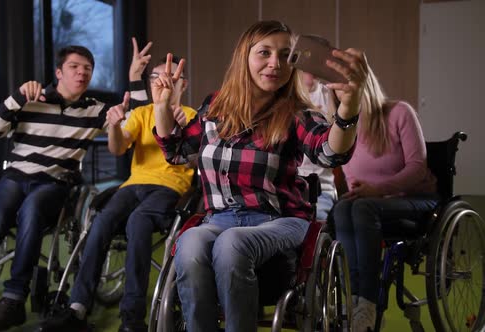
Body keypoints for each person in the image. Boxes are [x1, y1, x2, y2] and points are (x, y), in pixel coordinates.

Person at [151, 20, 368, 332]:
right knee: (190, 240)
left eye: (284, 55)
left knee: (231, 244)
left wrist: (348, 107)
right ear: (244, 58)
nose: (274, 63)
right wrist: (162, 107)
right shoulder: (215, 107)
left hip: (280, 220)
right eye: (264, 53)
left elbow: (330, 153)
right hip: (219, 218)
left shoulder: (297, 114)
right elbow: (177, 152)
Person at [0, 45, 136, 332]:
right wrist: (16, 97)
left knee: (31, 211)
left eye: (88, 68)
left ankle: (14, 300)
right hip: (15, 177)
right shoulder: (30, 99)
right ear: (59, 72)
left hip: (56, 183)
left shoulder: (95, 110)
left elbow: (136, 127)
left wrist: (135, 84)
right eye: (74, 66)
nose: (82, 72)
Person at [39, 38, 197, 332]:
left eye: (169, 77)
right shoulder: (140, 113)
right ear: (150, 83)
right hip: (134, 184)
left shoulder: (190, 116)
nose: (162, 81)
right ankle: (77, 307)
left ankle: (132, 317)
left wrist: (176, 129)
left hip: (170, 187)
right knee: (100, 222)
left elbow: (191, 162)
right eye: (156, 76)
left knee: (138, 222)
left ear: (182, 84)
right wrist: (113, 124)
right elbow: (117, 148)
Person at [331, 65, 438, 332]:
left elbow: (417, 168)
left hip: (417, 199)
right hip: (372, 205)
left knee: (363, 207)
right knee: (343, 208)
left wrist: (376, 190)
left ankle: (368, 303)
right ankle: (352, 300)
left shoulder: (400, 112)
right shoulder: (345, 128)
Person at [298, 67, 340, 220]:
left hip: (321, 189)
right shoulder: (283, 95)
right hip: (286, 187)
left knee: (314, 223)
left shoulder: (329, 93)